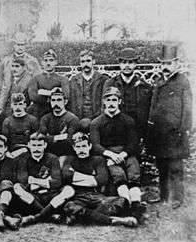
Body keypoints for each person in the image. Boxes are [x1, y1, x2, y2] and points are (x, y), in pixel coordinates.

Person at [90, 86, 145, 221]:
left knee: (133, 173)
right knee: (118, 174)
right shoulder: (96, 122)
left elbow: (133, 143)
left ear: (119, 101)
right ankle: (125, 204)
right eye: (108, 100)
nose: (111, 103)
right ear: (104, 102)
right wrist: (111, 155)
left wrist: (123, 154)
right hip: (109, 155)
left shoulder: (128, 120)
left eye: (114, 100)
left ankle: (136, 205)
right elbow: (96, 145)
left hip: (126, 153)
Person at [147, 44, 192, 209]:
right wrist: (151, 125)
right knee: (162, 167)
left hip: (175, 133)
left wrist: (183, 129)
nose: (166, 67)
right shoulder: (158, 80)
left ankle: (177, 198)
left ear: (176, 63)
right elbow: (153, 105)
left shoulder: (182, 81)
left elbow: (188, 108)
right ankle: (164, 196)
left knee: (175, 167)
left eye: (169, 64)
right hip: (159, 133)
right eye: (163, 64)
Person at [60, 132, 138, 227]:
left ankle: (86, 215)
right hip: (78, 196)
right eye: (78, 147)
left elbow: (101, 180)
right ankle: (113, 220)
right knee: (69, 206)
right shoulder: (69, 159)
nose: (81, 150)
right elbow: (66, 177)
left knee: (122, 201)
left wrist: (76, 176)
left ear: (89, 146)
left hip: (96, 196)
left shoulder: (98, 160)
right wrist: (92, 179)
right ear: (74, 148)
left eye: (84, 146)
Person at [14, 132, 74, 224]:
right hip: (34, 197)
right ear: (29, 145)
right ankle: (49, 214)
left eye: (39, 145)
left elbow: (57, 182)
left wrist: (33, 180)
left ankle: (38, 216)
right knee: (17, 187)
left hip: (51, 196)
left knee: (69, 190)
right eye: (34, 145)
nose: (36, 149)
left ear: (45, 145)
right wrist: (46, 181)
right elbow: (23, 181)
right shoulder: (24, 159)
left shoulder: (52, 158)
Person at [102, 48, 152, 141]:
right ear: (120, 64)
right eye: (124, 62)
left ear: (135, 64)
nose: (127, 66)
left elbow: (145, 112)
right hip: (116, 130)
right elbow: (104, 109)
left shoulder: (144, 86)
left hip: (137, 131)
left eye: (130, 62)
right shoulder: (111, 83)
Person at [39, 87, 79, 167]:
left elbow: (69, 139)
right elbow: (42, 137)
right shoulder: (45, 118)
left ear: (65, 102)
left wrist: (51, 138)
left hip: (66, 153)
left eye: (59, 100)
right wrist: (60, 137)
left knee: (61, 170)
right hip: (48, 152)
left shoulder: (72, 119)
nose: (56, 103)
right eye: (53, 100)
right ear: (50, 102)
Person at [27, 49, 70, 119]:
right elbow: (33, 96)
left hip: (56, 111)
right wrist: (52, 93)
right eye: (45, 60)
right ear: (42, 63)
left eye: (51, 60)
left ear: (56, 62)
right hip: (39, 112)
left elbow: (66, 95)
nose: (48, 63)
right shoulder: (35, 79)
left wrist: (42, 92)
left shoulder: (63, 79)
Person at [69, 50, 109, 119]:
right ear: (80, 63)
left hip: (98, 118)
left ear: (93, 61)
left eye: (88, 61)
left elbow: (105, 101)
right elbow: (71, 102)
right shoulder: (74, 80)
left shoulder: (103, 79)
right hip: (79, 118)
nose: (85, 64)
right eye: (83, 62)